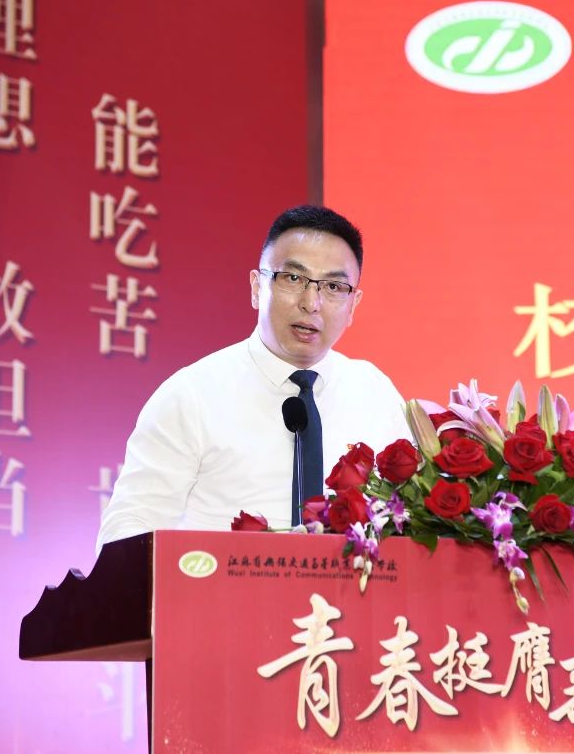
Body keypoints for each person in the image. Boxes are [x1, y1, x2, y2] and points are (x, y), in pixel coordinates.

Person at [96, 205, 412, 549]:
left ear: (353, 305)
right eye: (293, 278)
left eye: (334, 286)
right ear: (256, 286)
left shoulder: (374, 393)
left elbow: (410, 520)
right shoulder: (191, 395)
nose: (312, 303)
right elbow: (128, 527)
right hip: (220, 583)